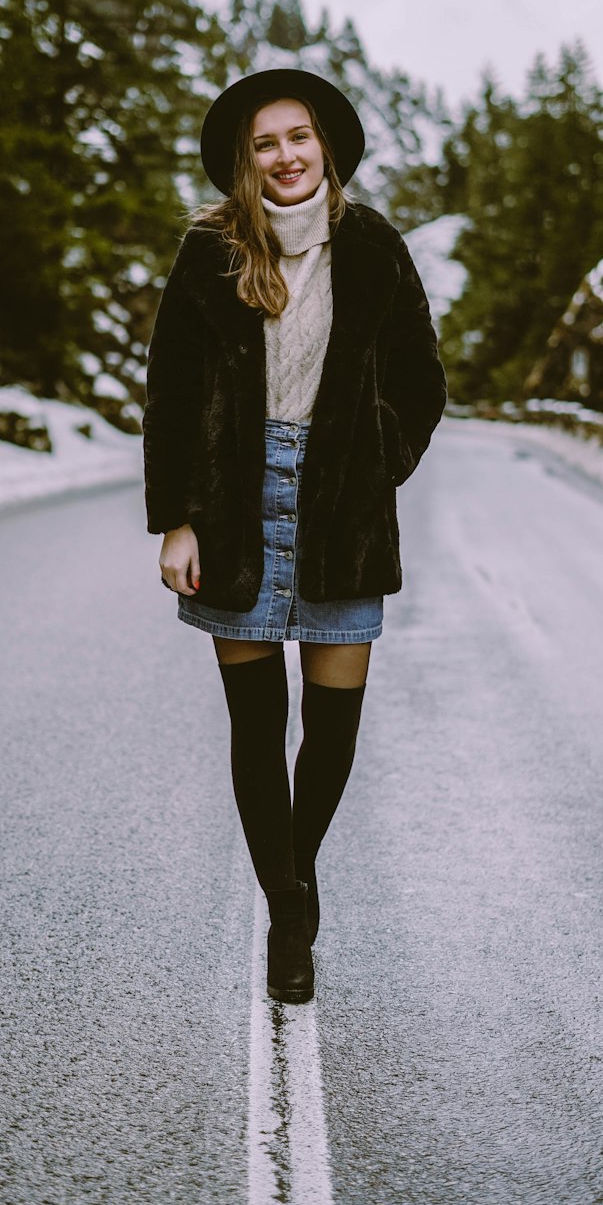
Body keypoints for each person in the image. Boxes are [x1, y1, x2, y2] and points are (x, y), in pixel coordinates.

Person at [143, 68, 446, 1003]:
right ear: (246, 158)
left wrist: (372, 459)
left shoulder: (375, 248)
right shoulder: (209, 250)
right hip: (232, 503)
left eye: (299, 136)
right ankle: (290, 917)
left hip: (341, 507)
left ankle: (291, 878)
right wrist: (176, 520)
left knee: (333, 729)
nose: (284, 155)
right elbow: (171, 393)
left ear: (326, 145)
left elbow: (421, 382)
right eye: (265, 142)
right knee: (254, 724)